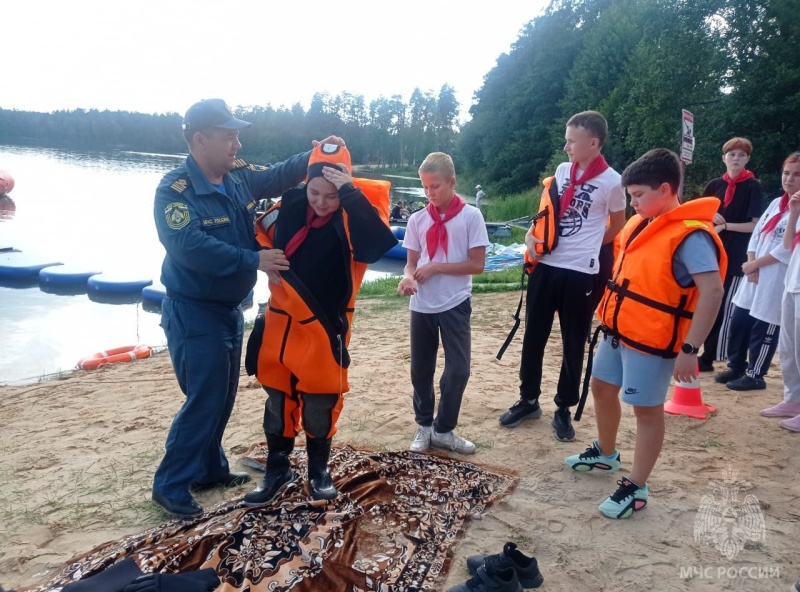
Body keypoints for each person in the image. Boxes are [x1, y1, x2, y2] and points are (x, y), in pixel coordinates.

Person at [151, 97, 343, 517]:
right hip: (194, 310)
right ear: (200, 139)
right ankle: (170, 484)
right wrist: (253, 260)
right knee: (205, 397)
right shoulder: (174, 191)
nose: (237, 144)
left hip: (228, 309)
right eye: (229, 136)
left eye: (237, 135)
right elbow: (187, 247)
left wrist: (314, 153)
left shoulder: (236, 176)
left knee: (221, 397)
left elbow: (277, 176)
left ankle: (209, 469)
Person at [564, 148, 725, 518]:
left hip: (654, 342)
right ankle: (606, 454)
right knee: (601, 388)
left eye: (638, 195)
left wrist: (691, 348)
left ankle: (636, 486)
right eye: (630, 195)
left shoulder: (691, 236)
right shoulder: (640, 224)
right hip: (618, 331)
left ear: (665, 189)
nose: (632, 203)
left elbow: (713, 291)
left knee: (646, 410)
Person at [242, 143, 397, 505]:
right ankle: (277, 469)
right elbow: (254, 233)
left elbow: (376, 247)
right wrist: (261, 260)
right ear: (305, 186)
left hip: (325, 326)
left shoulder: (354, 214)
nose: (321, 202)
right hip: (281, 320)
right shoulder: (292, 205)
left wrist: (350, 194)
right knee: (278, 398)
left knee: (320, 400)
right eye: (315, 192)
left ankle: (318, 470)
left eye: (331, 196)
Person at [499, 110, 626, 441]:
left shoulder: (613, 181)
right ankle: (528, 399)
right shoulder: (560, 172)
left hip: (580, 274)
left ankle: (563, 408)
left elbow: (618, 224)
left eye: (572, 141)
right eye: (566, 140)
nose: (566, 146)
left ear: (593, 143)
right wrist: (530, 238)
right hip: (546, 267)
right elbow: (546, 215)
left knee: (573, 342)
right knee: (534, 336)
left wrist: (590, 246)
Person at [398, 152, 489, 455]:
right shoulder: (417, 219)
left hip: (455, 302)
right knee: (420, 370)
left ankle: (444, 429)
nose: (429, 193)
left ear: (452, 182)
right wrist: (408, 278)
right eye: (425, 187)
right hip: (422, 304)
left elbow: (477, 265)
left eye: (435, 186)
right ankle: (424, 425)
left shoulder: (471, 217)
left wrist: (436, 267)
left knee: (459, 369)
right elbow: (411, 263)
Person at [716, 153, 800, 391]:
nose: (789, 179)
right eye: (786, 173)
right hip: (754, 272)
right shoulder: (777, 203)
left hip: (776, 276)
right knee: (739, 320)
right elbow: (758, 233)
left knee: (764, 325)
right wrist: (751, 261)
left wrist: (756, 264)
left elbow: (787, 248)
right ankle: (736, 365)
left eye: (797, 175)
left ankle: (756, 374)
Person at [697, 137, 765, 372]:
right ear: (723, 157)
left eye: (741, 155)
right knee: (705, 300)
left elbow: (755, 225)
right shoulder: (715, 185)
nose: (736, 158)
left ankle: (713, 357)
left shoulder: (752, 186)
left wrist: (726, 225)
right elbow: (698, 214)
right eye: (732, 154)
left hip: (736, 254)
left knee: (726, 307)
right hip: (711, 250)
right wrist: (709, 218)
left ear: (747, 159)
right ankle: (698, 350)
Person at [760, 185, 800, 430]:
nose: (792, 180)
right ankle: (794, 399)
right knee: (789, 348)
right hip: (793, 281)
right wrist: (794, 213)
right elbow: (788, 245)